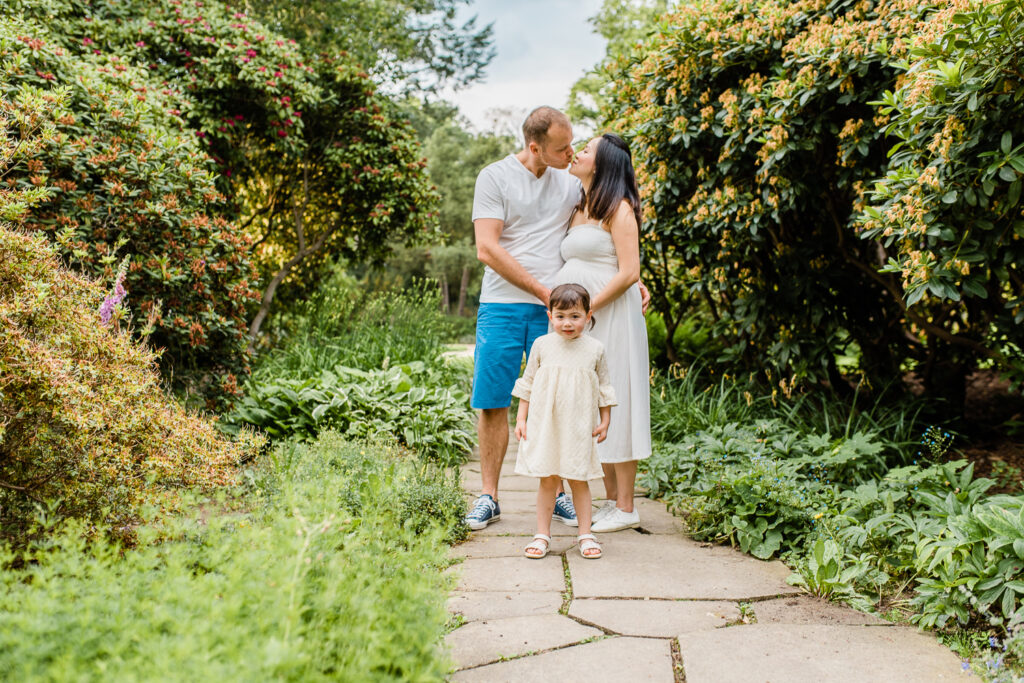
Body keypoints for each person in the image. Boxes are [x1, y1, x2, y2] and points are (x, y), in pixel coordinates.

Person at [464, 106, 581, 530]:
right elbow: (487, 248)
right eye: (562, 148)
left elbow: (604, 225)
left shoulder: (571, 180)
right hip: (501, 306)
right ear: (535, 147)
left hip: (555, 310)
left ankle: (559, 495)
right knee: (493, 400)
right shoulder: (494, 177)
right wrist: (541, 291)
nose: (571, 154)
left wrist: (633, 277)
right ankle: (489, 496)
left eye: (572, 145)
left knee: (558, 402)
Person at [555, 133, 652, 533]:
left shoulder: (619, 208)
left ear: (603, 163)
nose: (577, 153)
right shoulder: (579, 205)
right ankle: (611, 501)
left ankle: (627, 506)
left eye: (586, 149)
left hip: (612, 317)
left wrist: (589, 307)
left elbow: (629, 271)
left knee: (618, 397)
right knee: (595, 402)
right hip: (587, 322)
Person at [513, 284, 615, 559]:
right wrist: (521, 418)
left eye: (575, 316)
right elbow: (528, 383)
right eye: (560, 316)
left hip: (578, 426)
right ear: (550, 316)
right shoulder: (542, 345)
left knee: (579, 478)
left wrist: (605, 419)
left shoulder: (594, 349)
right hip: (546, 424)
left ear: (588, 315)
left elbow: (604, 387)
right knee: (548, 479)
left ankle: (585, 534)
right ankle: (542, 535)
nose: (567, 323)